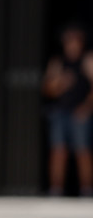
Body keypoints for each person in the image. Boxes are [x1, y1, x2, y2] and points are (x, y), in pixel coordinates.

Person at [42, 23, 93, 196]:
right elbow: (47, 88)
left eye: (74, 41)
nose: (71, 45)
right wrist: (62, 82)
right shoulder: (58, 62)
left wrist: (86, 109)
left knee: (82, 151)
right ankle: (56, 189)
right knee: (58, 151)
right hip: (60, 111)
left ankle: (86, 190)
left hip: (80, 113)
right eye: (68, 41)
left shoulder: (87, 60)